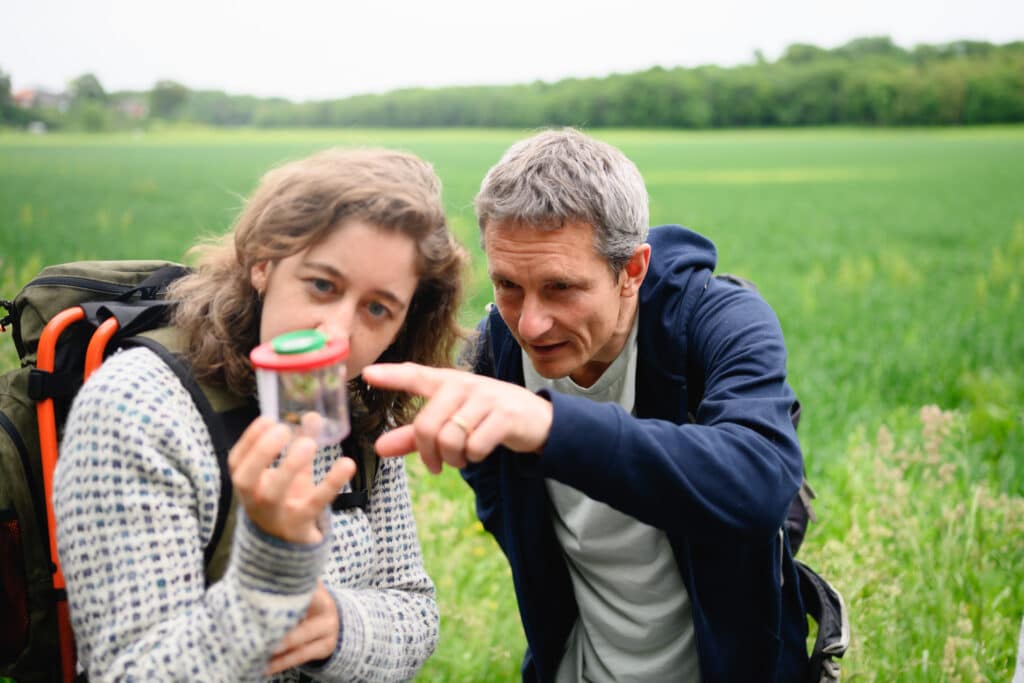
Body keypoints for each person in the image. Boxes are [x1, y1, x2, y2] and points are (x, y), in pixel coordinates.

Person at [363, 128, 808, 681]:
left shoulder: (718, 323)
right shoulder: (497, 350)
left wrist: (548, 423)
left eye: (560, 288)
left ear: (633, 271)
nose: (530, 323)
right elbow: (502, 496)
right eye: (507, 285)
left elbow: (760, 480)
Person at [54, 147, 466, 681]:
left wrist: (337, 628)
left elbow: (414, 610)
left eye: (377, 308)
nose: (337, 334)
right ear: (264, 264)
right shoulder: (138, 408)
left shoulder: (355, 407)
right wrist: (270, 576)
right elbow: (131, 671)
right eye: (323, 285)